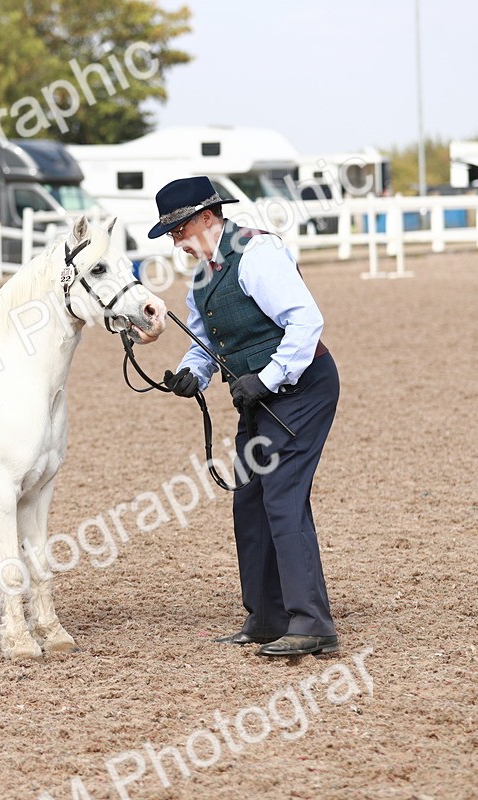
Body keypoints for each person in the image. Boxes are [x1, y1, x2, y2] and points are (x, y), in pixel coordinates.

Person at [148, 176, 340, 657]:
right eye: (171, 234)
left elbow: (305, 321)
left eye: (178, 230)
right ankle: (267, 616)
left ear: (207, 218)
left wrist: (269, 378)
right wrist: (193, 374)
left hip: (302, 388)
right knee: (249, 502)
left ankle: (312, 623)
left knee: (281, 497)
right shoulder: (202, 279)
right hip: (258, 398)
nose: (176, 241)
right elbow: (206, 344)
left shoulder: (258, 255)